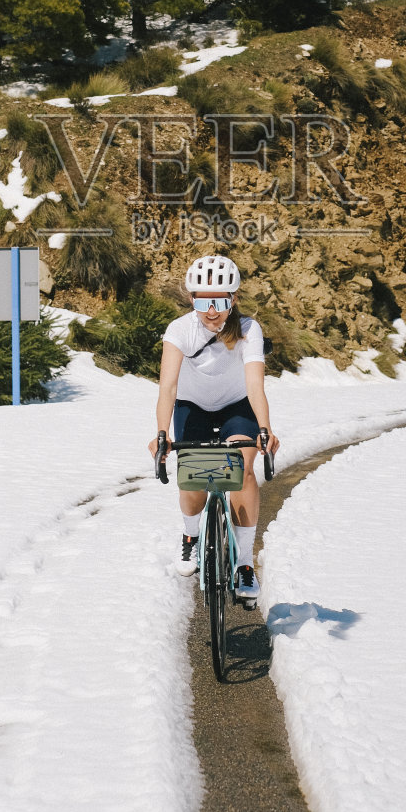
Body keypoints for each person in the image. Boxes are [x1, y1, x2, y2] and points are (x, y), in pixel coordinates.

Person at [149, 254, 280, 603]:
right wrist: (162, 434)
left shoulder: (249, 329)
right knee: (193, 477)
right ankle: (191, 536)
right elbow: (168, 388)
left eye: (220, 301)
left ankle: (245, 564)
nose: (211, 311)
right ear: (192, 299)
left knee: (242, 470)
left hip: (238, 407)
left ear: (233, 299)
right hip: (192, 408)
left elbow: (255, 386)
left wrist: (264, 429)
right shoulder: (180, 330)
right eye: (203, 301)